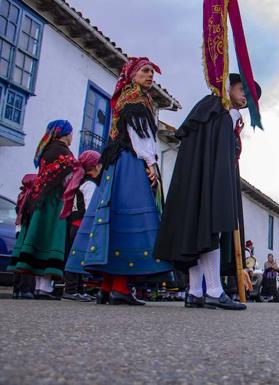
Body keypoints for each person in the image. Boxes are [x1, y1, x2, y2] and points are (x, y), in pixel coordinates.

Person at [66, 57, 172, 306]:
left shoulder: (124, 97)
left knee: (112, 221)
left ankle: (107, 286)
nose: (150, 76)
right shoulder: (137, 99)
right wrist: (150, 164)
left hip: (115, 166)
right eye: (145, 71)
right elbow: (141, 137)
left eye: (151, 72)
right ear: (133, 75)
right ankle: (120, 288)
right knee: (129, 218)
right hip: (130, 165)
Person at [154, 73, 262, 311]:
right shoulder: (216, 110)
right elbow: (215, 152)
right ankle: (212, 290)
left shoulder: (224, 115)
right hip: (208, 179)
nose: (246, 97)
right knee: (208, 224)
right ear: (229, 86)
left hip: (207, 178)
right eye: (243, 90)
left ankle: (195, 291)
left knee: (200, 227)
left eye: (251, 97)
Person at [9, 120, 81, 300]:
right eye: (71, 133)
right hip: (53, 202)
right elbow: (69, 179)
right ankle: (44, 287)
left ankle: (40, 287)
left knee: (39, 239)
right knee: (50, 240)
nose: (72, 137)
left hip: (37, 201)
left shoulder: (45, 152)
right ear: (66, 134)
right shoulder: (64, 154)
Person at [61, 150, 101, 301]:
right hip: (82, 225)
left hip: (75, 224)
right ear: (96, 166)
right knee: (78, 258)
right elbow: (91, 206)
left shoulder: (79, 181)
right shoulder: (89, 183)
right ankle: (71, 289)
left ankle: (77, 289)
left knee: (77, 257)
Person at [11, 174, 37, 300]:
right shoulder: (31, 196)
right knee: (27, 260)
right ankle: (26, 289)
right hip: (27, 230)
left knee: (19, 259)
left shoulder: (22, 195)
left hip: (19, 229)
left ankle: (17, 289)